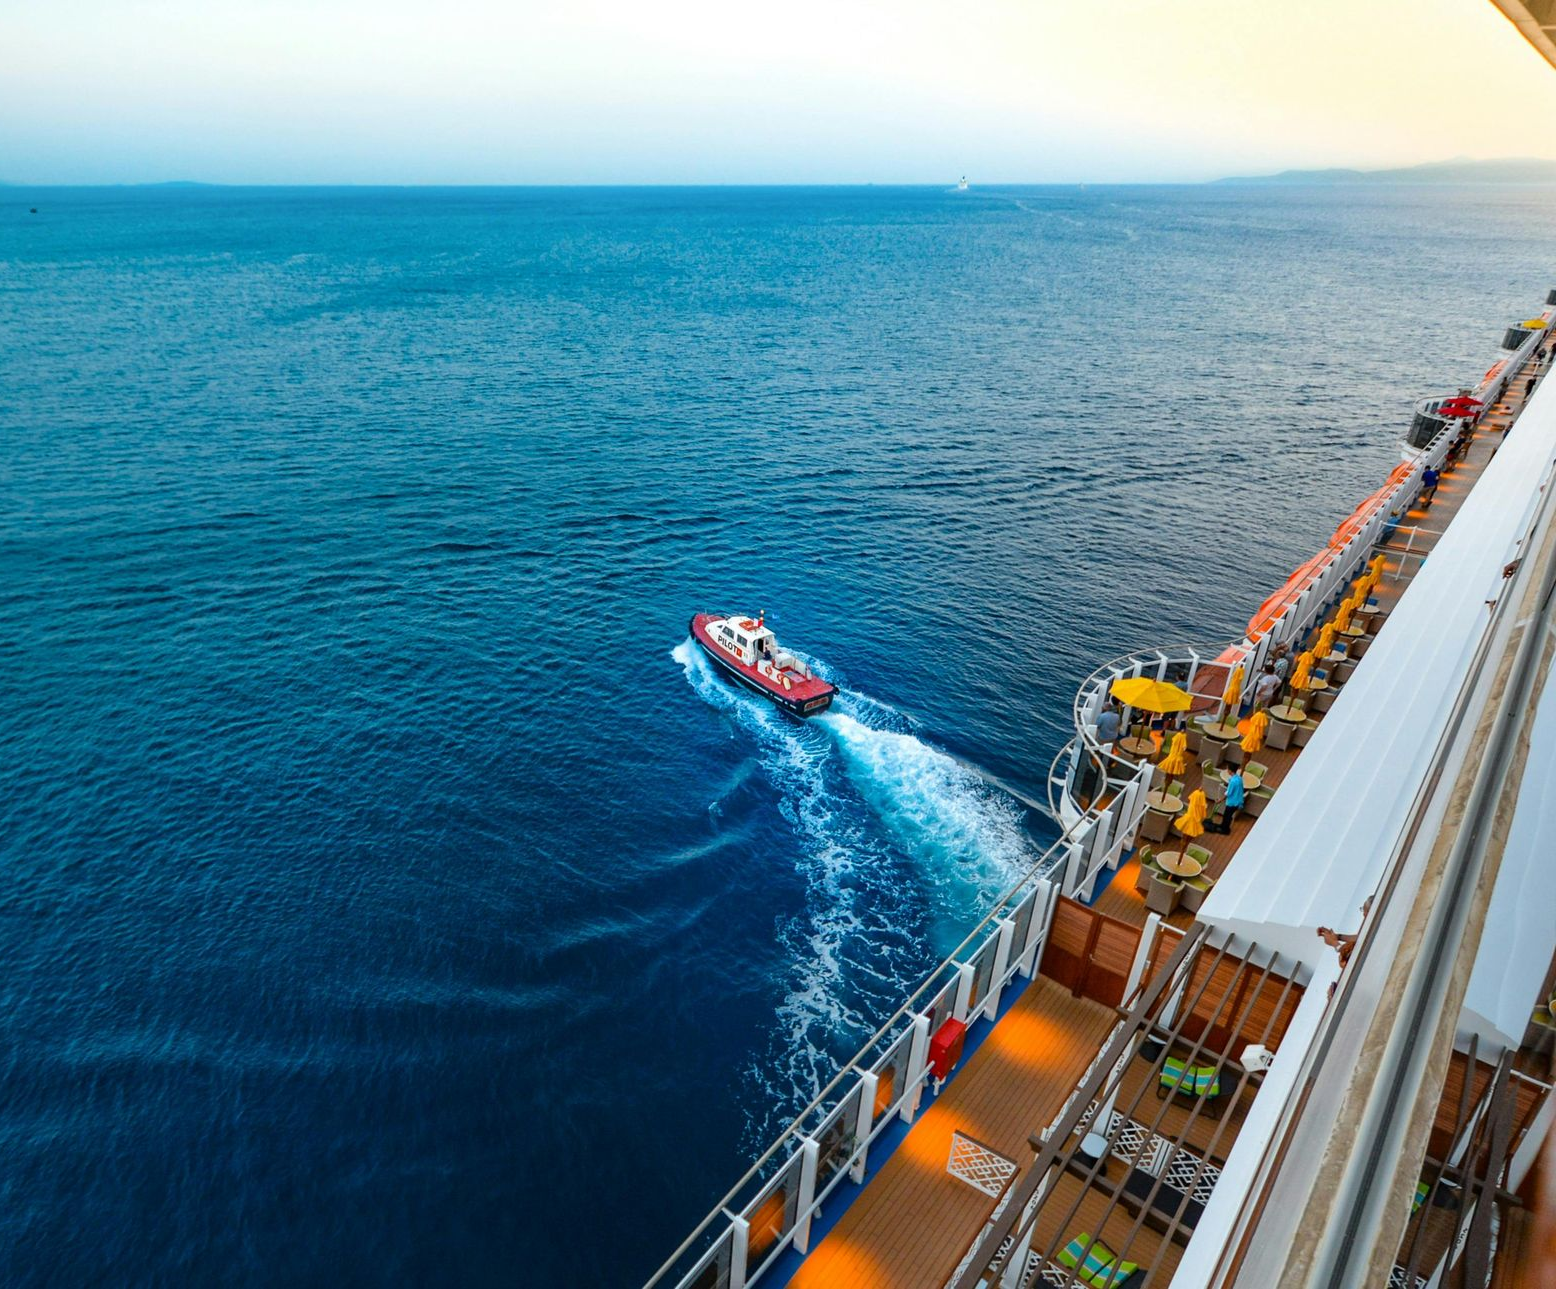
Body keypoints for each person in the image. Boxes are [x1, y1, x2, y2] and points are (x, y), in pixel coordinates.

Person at [1211, 767, 1246, 833]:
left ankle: (1225, 829)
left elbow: (1228, 793)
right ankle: (1223, 826)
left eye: (1228, 769)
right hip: (1238, 801)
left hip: (1232, 802)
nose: (1227, 770)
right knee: (1228, 815)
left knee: (1227, 815)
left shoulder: (1233, 781)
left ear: (1230, 770)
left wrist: (1220, 800)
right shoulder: (1239, 778)